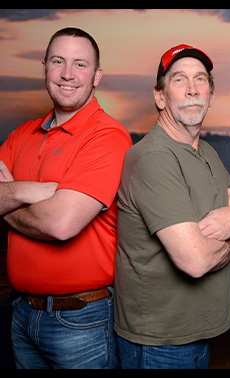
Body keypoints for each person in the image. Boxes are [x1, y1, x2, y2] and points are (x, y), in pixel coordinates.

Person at [114, 44, 230, 369]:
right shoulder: (152, 157)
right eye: (179, 80)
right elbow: (194, 261)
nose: (192, 89)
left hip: (194, 335)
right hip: (159, 342)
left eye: (200, 80)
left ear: (211, 95)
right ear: (160, 97)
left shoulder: (205, 151)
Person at [0, 27, 132, 368]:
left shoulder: (107, 136)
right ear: (44, 67)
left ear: (97, 75)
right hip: (22, 314)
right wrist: (30, 190)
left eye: (80, 64)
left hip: (80, 321)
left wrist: (6, 202)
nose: (68, 74)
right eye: (58, 62)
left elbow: (60, 224)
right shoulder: (20, 134)